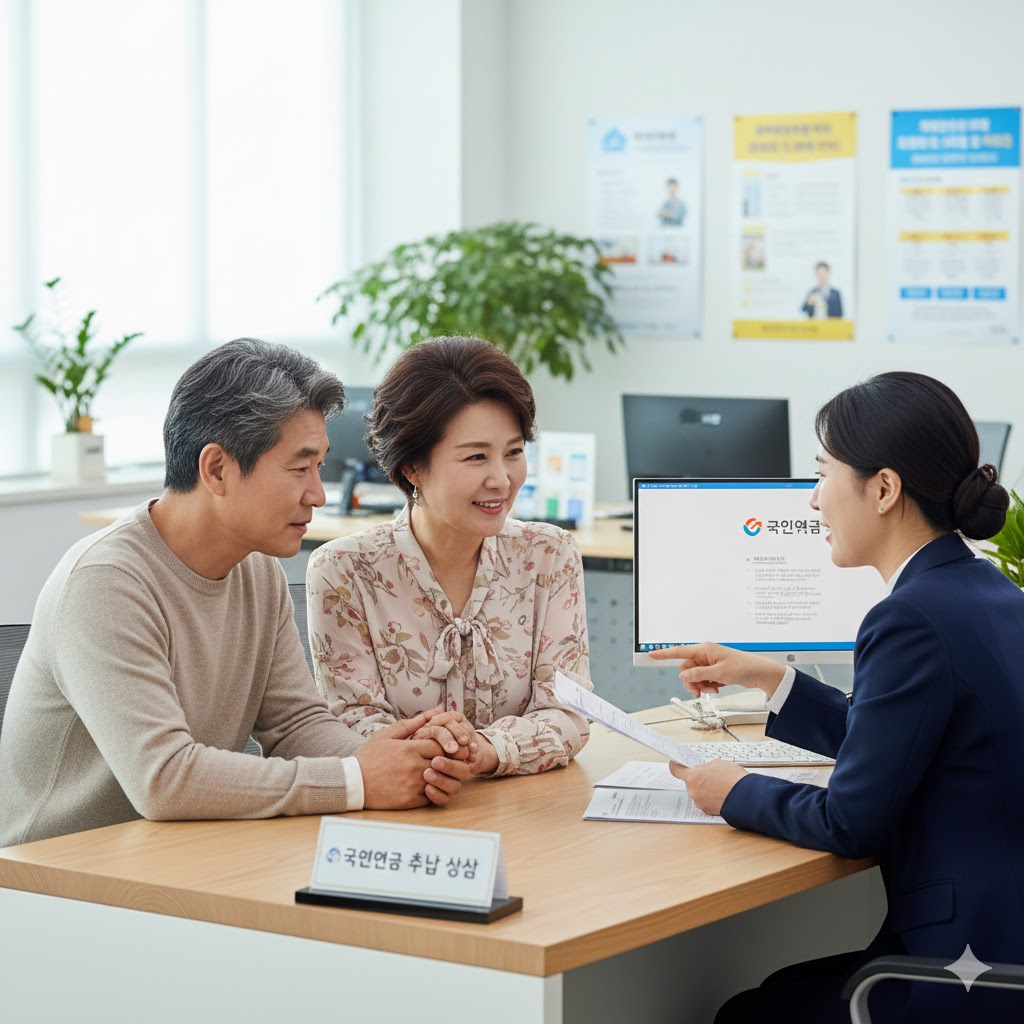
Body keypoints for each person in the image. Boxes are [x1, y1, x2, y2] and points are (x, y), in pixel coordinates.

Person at [651, 371, 1024, 1023]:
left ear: (883, 488)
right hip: (1000, 941)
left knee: (751, 1012)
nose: (813, 501)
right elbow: (899, 739)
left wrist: (731, 790)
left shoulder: (908, 618)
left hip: (959, 974)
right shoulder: (991, 594)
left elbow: (850, 823)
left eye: (822, 474)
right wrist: (771, 678)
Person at [0, 339, 472, 848]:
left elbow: (295, 724)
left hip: (176, 857)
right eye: (300, 468)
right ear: (217, 469)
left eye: (320, 467)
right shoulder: (105, 583)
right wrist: (357, 781)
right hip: (53, 882)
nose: (318, 493)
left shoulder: (258, 569)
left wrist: (396, 758)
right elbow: (164, 779)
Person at [306, 336, 591, 778]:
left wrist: (485, 751)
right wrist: (437, 758)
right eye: (476, 457)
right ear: (412, 467)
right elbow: (353, 721)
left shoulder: (549, 555)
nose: (501, 479)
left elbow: (569, 711)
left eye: (514, 452)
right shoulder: (344, 571)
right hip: (398, 815)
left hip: (529, 814)